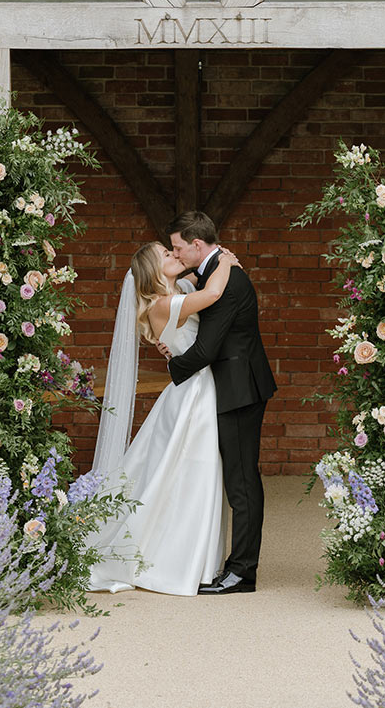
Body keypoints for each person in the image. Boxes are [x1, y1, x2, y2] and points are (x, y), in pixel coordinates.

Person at [86, 241, 241, 596]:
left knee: (187, 474)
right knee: (192, 472)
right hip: (192, 392)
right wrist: (225, 260)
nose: (174, 256)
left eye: (171, 251)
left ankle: (192, 556)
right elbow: (215, 292)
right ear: (154, 273)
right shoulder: (162, 304)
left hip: (196, 387)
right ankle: (175, 561)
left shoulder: (181, 290)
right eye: (166, 255)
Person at [165, 211, 276, 596]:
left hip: (239, 390)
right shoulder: (215, 270)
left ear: (198, 245)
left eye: (179, 248)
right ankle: (238, 565)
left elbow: (207, 349)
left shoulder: (226, 281)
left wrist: (173, 364)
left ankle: (243, 572)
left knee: (242, 482)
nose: (176, 255)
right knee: (237, 480)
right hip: (232, 387)